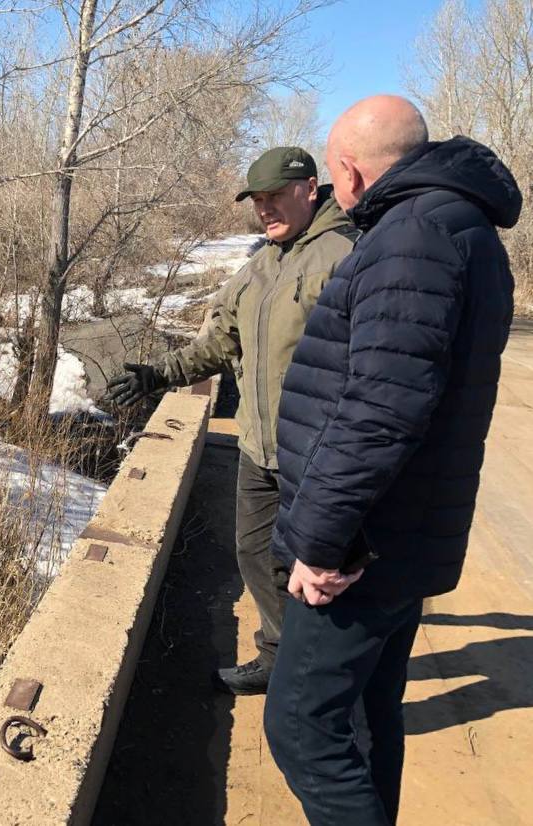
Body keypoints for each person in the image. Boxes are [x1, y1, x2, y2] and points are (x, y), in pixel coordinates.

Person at [263, 95, 522, 826]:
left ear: (346, 170)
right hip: (400, 537)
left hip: (361, 548)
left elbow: (381, 409)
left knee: (303, 730)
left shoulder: (413, 238)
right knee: (368, 719)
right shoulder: (458, 228)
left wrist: (319, 541)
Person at [106, 147, 357, 695]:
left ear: (310, 189)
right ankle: (278, 655)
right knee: (254, 552)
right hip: (257, 446)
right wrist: (159, 373)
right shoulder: (262, 263)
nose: (265, 209)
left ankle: (323, 679)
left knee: (320, 573)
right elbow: (222, 340)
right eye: (257, 200)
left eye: (275, 197)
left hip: (316, 454)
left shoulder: (345, 256)